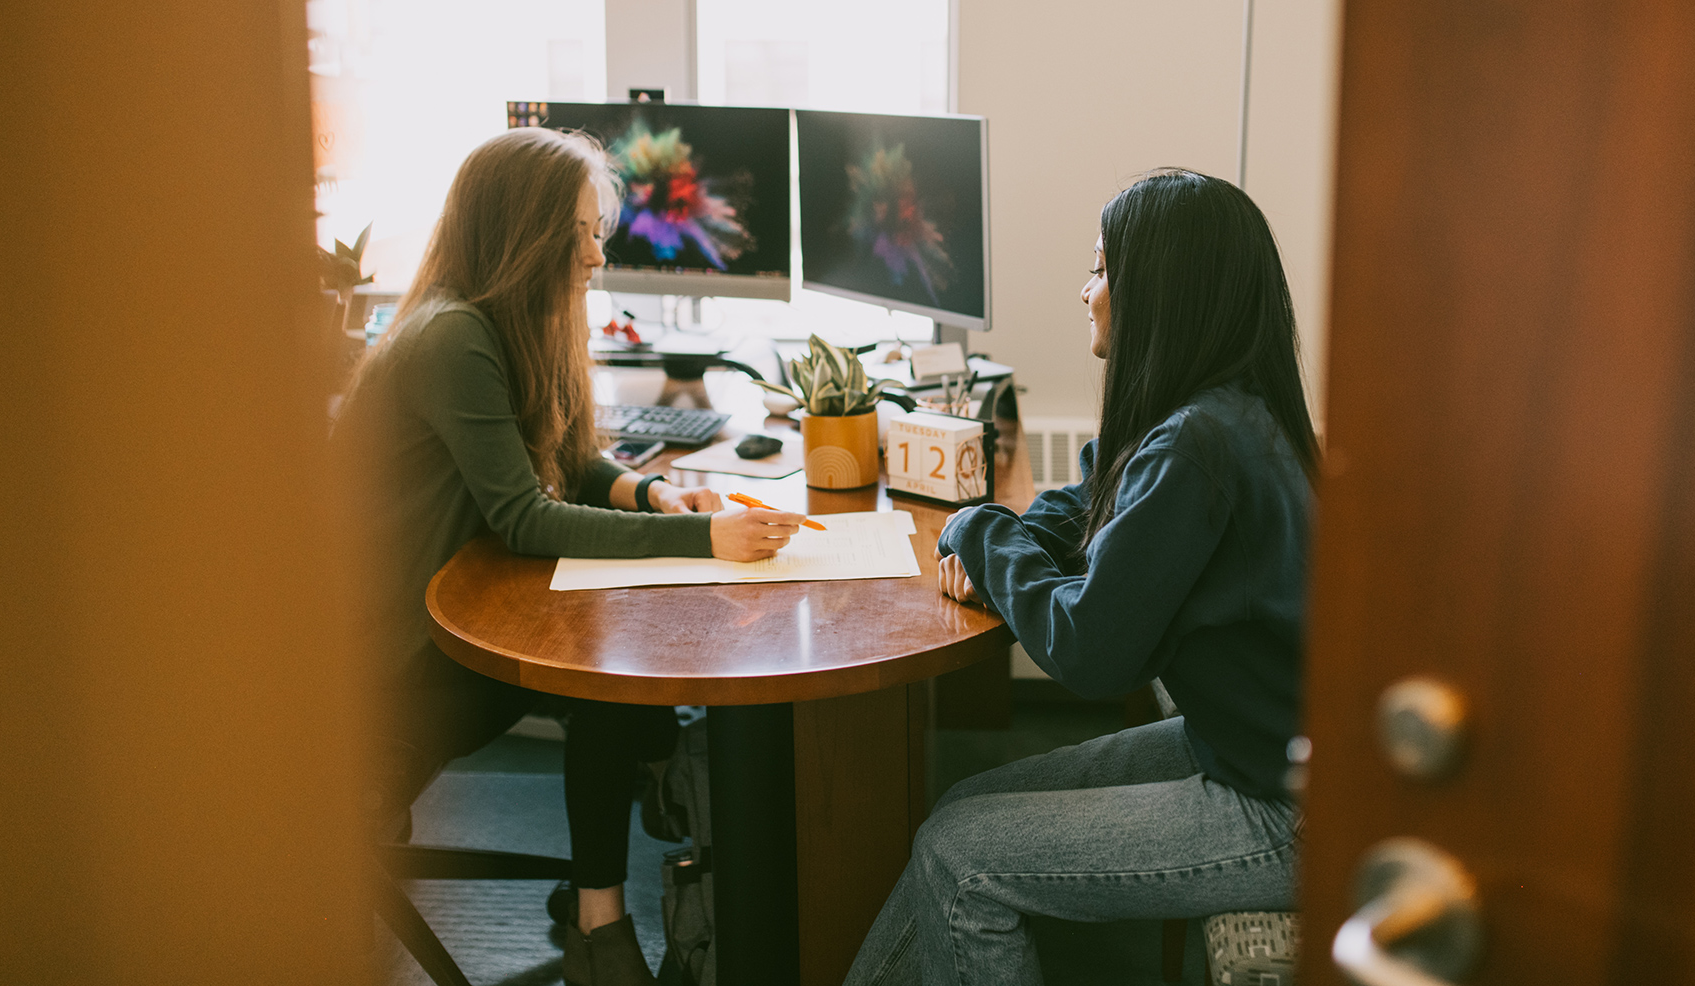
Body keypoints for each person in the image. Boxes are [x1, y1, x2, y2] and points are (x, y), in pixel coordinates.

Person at [333, 127, 804, 986]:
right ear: (527, 234)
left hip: (450, 602)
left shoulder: (506, 322)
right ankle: (604, 919)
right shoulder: (452, 339)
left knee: (620, 631)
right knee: (610, 658)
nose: (596, 253)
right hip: (392, 657)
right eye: (583, 232)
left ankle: (650, 794)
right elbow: (524, 516)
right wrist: (705, 537)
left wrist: (654, 494)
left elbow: (570, 459)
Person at [843, 169, 1318, 985]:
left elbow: (1090, 652)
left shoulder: (1196, 448)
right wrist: (1013, 542)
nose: (1086, 290)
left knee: (960, 860)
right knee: (960, 808)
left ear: (1158, 293)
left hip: (1286, 809)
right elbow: (1086, 499)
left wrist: (977, 528)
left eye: (1101, 269)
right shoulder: (1212, 413)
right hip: (1245, 748)